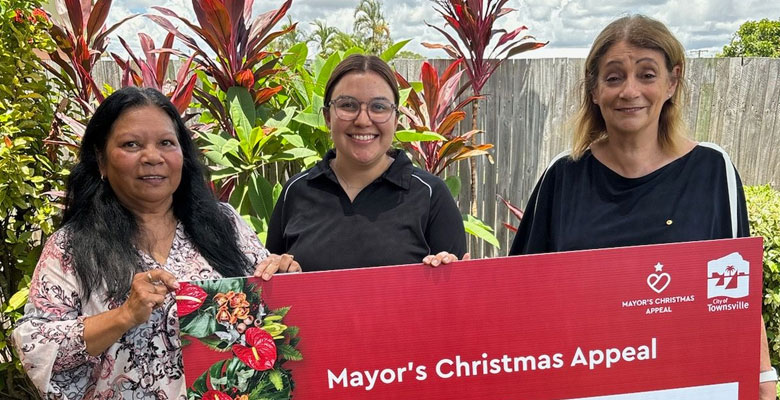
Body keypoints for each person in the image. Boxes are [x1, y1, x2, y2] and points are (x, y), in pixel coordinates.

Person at [508, 15, 776, 398]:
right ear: (595, 89)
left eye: (647, 75)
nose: (629, 91)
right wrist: (445, 285)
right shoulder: (563, 177)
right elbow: (521, 293)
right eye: (614, 77)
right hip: (585, 387)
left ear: (672, 82)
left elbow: (738, 293)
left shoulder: (713, 171)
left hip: (690, 387)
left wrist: (763, 378)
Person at [12, 87, 299, 399]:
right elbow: (34, 346)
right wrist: (123, 315)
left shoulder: (224, 223)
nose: (152, 157)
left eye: (166, 143)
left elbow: (265, 315)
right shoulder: (71, 247)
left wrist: (284, 279)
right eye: (131, 144)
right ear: (101, 161)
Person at [266, 54, 468, 271]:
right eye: (348, 105)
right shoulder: (295, 192)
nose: (363, 120)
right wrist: (282, 273)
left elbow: (459, 298)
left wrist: (451, 277)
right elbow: (268, 301)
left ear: (396, 119)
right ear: (327, 117)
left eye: (379, 107)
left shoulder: (430, 195)